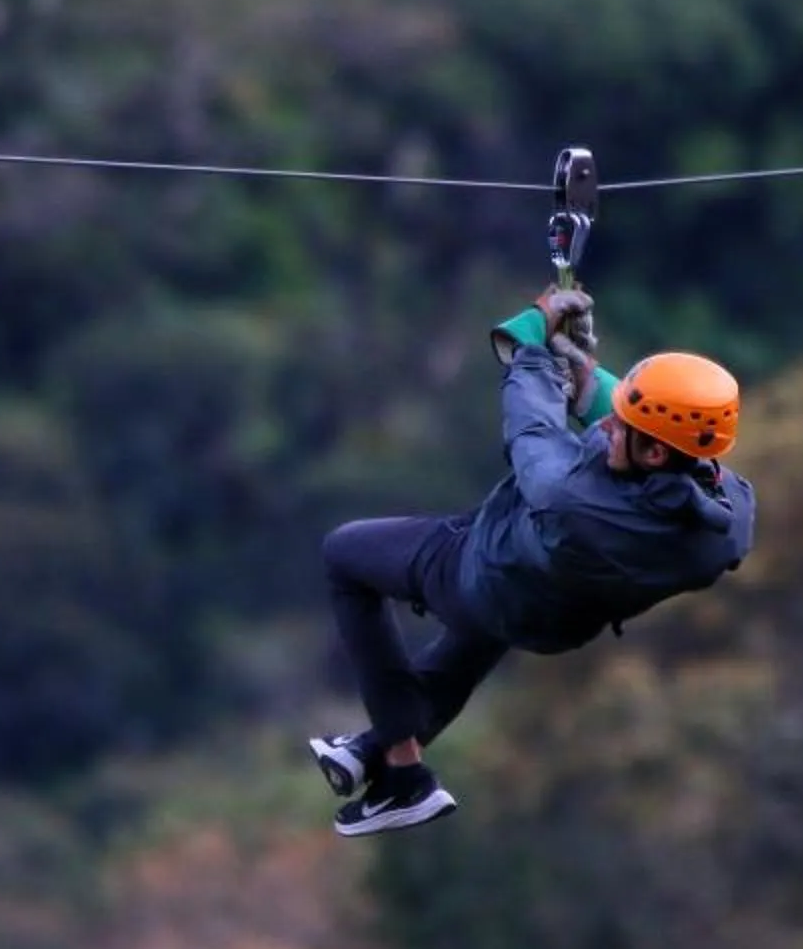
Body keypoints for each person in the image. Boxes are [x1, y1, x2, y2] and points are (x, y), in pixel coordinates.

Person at [309, 287, 756, 836]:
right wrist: (589, 379)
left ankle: (402, 772)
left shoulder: (575, 502)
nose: (608, 424)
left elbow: (533, 430)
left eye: (622, 424)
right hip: (556, 615)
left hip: (484, 572)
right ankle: (369, 749)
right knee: (482, 627)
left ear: (655, 452)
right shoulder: (727, 516)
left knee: (345, 554)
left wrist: (532, 346)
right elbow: (631, 437)